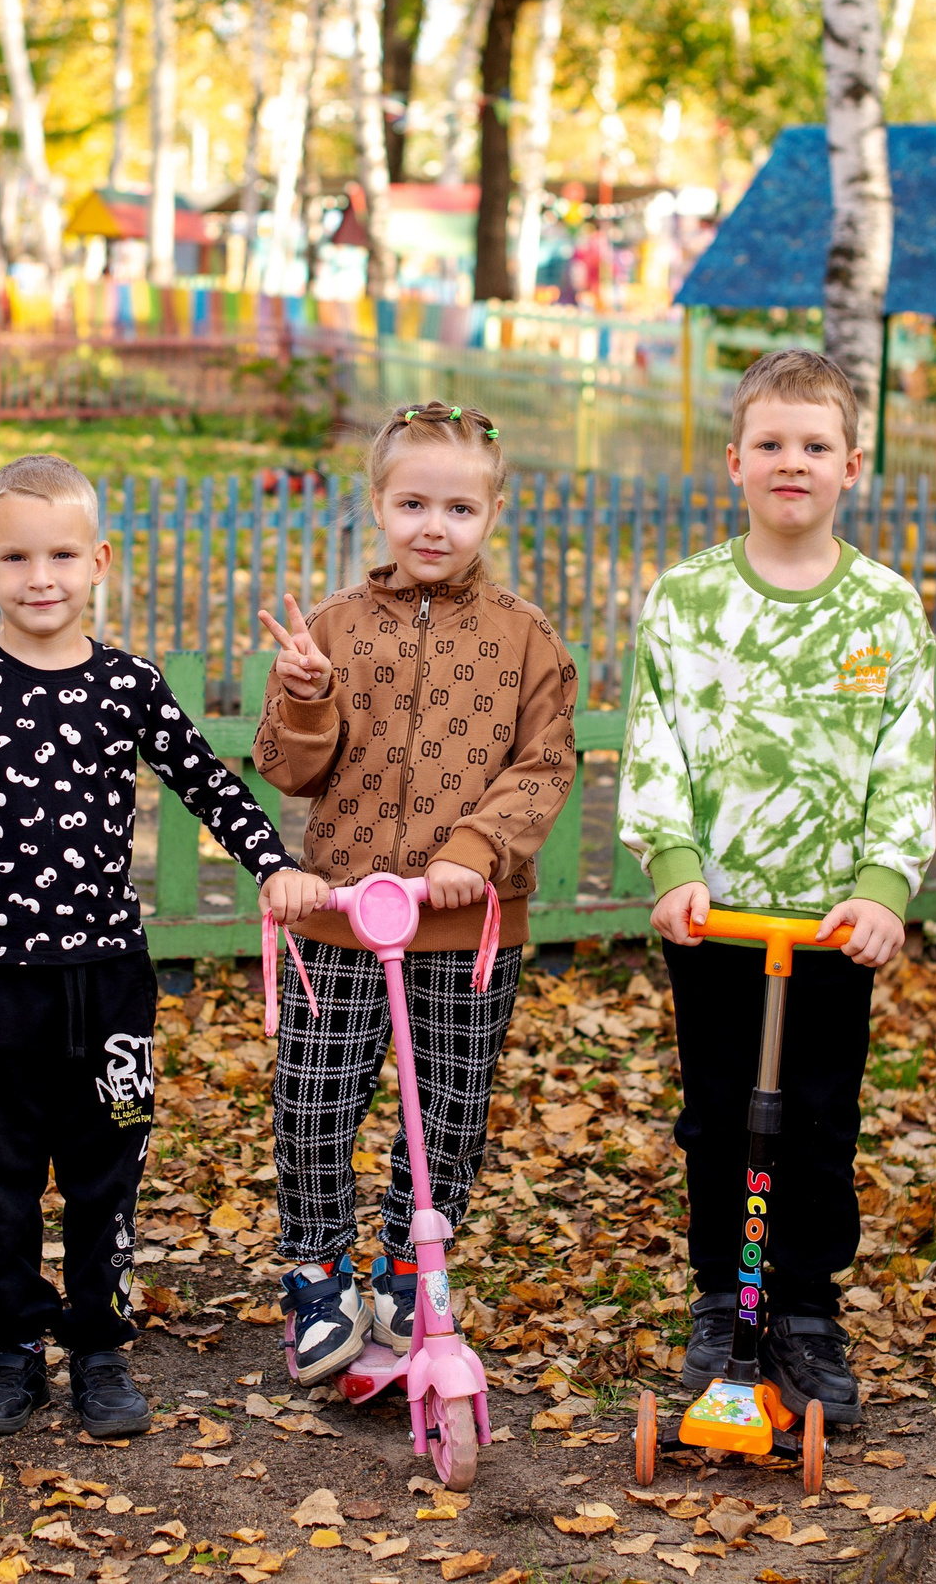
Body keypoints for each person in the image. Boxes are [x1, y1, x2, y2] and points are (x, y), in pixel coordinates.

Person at [0, 454, 328, 1438]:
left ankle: (99, 1345)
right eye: (17, 557)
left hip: (110, 988)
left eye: (61, 555)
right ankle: (15, 1346)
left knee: (109, 1169)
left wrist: (272, 864)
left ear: (98, 561)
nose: (40, 577)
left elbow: (208, 781)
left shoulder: (126, 684)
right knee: (3, 1177)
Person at [618, 349, 936, 1429]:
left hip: (830, 929)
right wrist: (672, 865)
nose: (790, 461)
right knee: (717, 1117)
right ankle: (724, 1297)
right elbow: (655, 742)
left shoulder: (885, 609)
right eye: (770, 443)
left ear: (852, 464)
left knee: (818, 1122)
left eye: (813, 444)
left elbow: (903, 758)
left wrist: (883, 886)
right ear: (734, 462)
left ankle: (803, 1306)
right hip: (717, 922)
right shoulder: (687, 600)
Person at [252, 401, 578, 1386]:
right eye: (413, 504)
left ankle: (408, 1263)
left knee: (448, 1113)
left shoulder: (526, 638)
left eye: (459, 508)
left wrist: (476, 850)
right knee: (313, 1104)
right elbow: (289, 770)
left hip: (464, 928)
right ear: (378, 505)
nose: (434, 526)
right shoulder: (334, 627)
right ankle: (318, 1273)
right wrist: (306, 695)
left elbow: (545, 765)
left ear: (493, 513)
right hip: (342, 918)